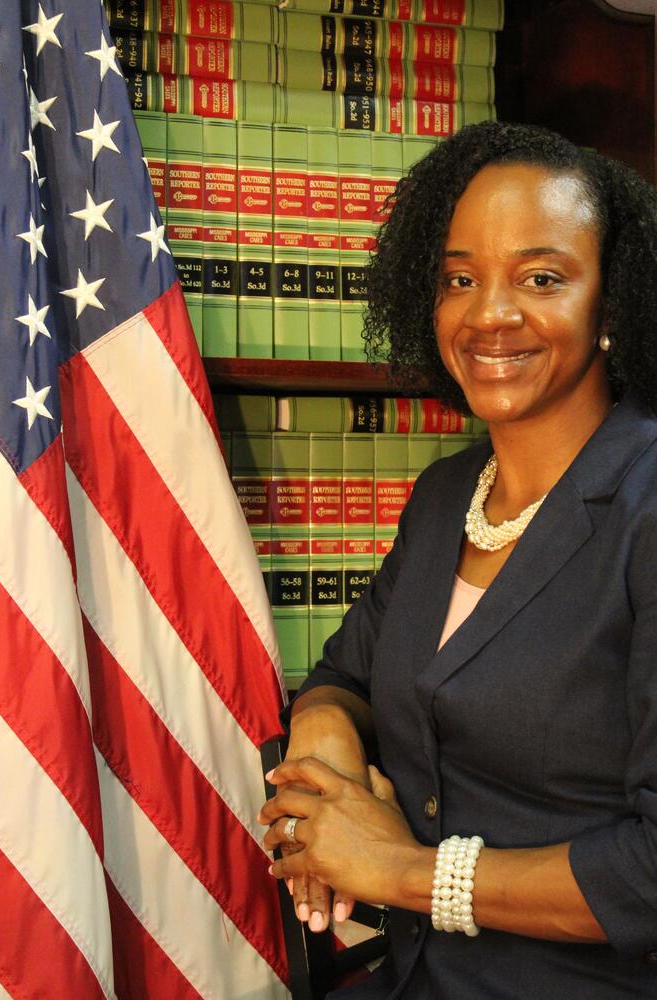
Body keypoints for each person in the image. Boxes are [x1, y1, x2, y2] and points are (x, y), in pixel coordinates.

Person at [258, 120, 657, 998]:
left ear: (613, 306)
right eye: (460, 280)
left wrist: (400, 869)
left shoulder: (646, 508)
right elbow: (342, 673)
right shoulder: (447, 498)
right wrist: (323, 747)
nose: (489, 314)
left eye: (541, 278)